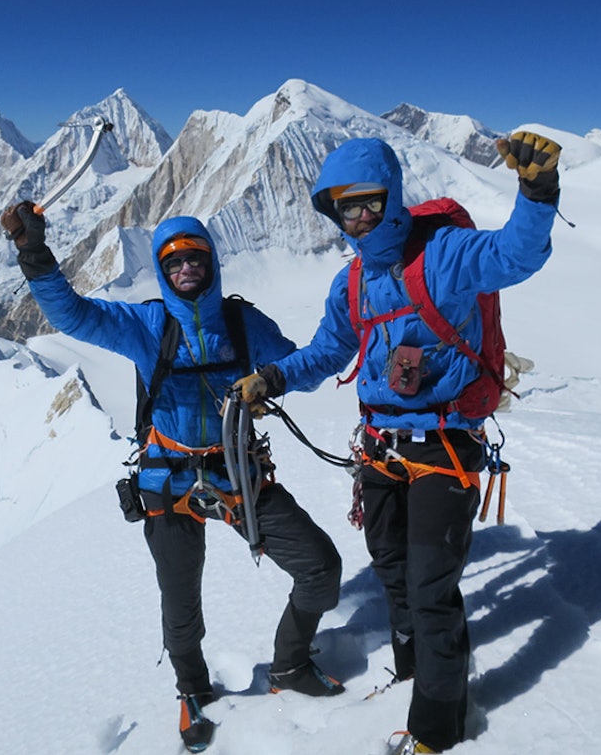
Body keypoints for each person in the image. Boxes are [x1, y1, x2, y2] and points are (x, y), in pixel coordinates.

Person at [234, 133, 562, 754]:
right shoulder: (352, 282)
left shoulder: (446, 254)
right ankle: (414, 675)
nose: (355, 219)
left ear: (392, 197)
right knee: (393, 572)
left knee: (430, 589)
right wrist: (276, 377)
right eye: (341, 208)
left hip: (445, 446)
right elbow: (331, 350)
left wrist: (537, 191)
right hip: (382, 448)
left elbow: (516, 254)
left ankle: (437, 730)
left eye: (366, 204)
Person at [0, 202, 344, 753]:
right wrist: (33, 253)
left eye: (195, 258)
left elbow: (300, 368)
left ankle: (290, 665)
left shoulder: (244, 324)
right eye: (174, 260)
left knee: (320, 567)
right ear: (162, 270)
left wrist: (284, 373)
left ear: (211, 263)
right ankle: (192, 690)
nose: (186, 268)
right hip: (169, 480)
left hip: (237, 473)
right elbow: (72, 315)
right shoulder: (148, 325)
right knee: (180, 604)